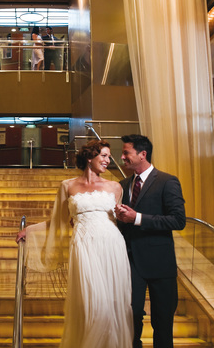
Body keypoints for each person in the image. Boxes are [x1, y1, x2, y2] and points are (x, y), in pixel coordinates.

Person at [16, 140, 132, 347]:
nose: (108, 160)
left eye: (108, 156)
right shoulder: (68, 186)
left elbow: (119, 217)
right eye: (104, 156)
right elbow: (59, 219)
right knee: (91, 304)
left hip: (112, 244)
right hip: (84, 246)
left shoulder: (115, 186)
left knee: (113, 304)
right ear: (90, 157)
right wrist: (31, 230)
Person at [115, 134, 186, 348]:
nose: (122, 157)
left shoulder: (167, 181)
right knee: (131, 317)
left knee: (162, 322)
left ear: (142, 154)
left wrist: (137, 218)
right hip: (129, 263)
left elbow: (178, 220)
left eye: (126, 152)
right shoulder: (121, 185)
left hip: (160, 263)